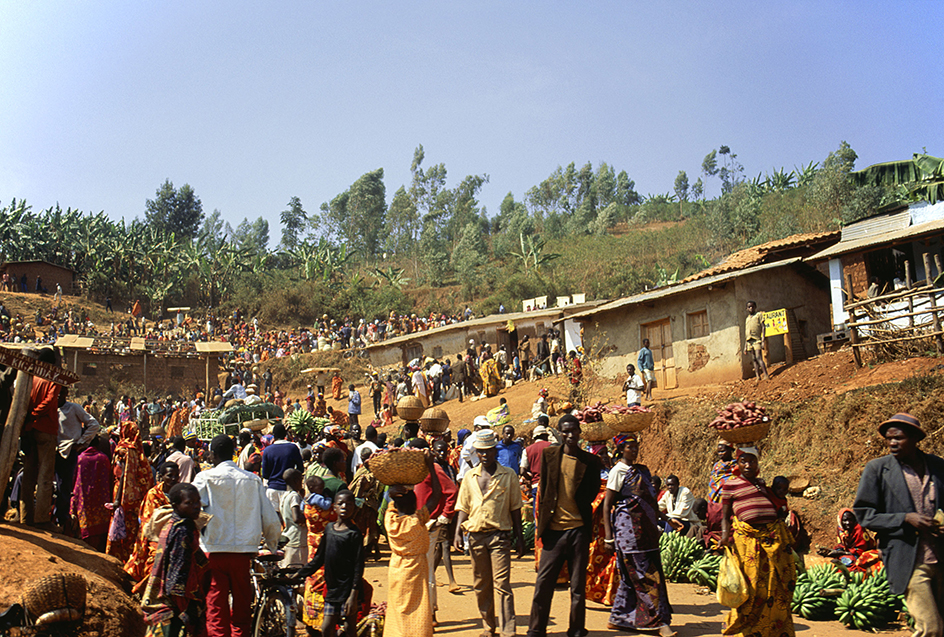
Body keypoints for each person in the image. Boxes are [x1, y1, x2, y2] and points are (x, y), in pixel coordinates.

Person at [854, 412, 944, 636]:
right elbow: (864, 515)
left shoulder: (937, 466)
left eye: (899, 437)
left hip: (940, 555)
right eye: (888, 438)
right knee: (931, 628)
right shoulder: (878, 469)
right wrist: (905, 518)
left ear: (915, 438)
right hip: (909, 559)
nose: (892, 443)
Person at [193, 434, 281, 637]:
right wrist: (272, 543)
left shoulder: (205, 478)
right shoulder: (252, 480)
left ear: (213, 455)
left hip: (214, 551)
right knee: (242, 603)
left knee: (216, 604)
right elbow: (269, 518)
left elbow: (194, 511)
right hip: (243, 552)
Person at [526, 415, 603, 637]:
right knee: (543, 584)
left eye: (574, 430)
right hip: (553, 532)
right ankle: (536, 629)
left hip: (578, 530)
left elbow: (591, 492)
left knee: (577, 586)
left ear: (580, 432)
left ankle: (577, 629)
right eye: (566, 431)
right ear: (559, 433)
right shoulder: (549, 456)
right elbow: (546, 490)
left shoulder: (590, 462)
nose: (570, 435)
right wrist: (542, 526)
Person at [454, 429, 526, 637]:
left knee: (502, 584)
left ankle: (508, 630)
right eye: (480, 452)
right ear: (476, 453)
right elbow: (463, 506)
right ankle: (488, 626)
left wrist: (519, 538)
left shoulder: (508, 475)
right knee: (481, 584)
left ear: (495, 451)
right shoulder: (469, 477)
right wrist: (458, 532)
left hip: (499, 536)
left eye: (488, 451)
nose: (484, 455)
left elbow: (515, 508)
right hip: (475, 536)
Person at [603, 433, 673, 635]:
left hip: (648, 531)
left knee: (629, 577)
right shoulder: (618, 471)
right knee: (646, 576)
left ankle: (619, 618)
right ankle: (658, 622)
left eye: (635, 447)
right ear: (620, 450)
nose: (633, 450)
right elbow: (608, 505)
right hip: (630, 533)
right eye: (629, 447)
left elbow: (647, 501)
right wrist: (609, 537)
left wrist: (666, 519)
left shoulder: (642, 470)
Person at [720, 446, 795, 637]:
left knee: (774, 586)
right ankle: (746, 629)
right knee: (750, 588)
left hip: (771, 541)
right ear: (737, 464)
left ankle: (772, 629)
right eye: (743, 461)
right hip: (747, 542)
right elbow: (725, 515)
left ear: (757, 463)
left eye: (752, 461)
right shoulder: (730, 485)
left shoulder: (761, 484)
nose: (748, 465)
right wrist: (724, 536)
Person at [141, 482, 209, 637]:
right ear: (175, 505)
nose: (196, 506)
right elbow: (178, 573)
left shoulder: (172, 525)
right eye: (189, 503)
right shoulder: (182, 531)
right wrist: (187, 610)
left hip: (164, 600)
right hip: (174, 606)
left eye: (197, 501)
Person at [385, 451, 441, 637]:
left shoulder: (390, 521)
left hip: (397, 568)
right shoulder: (418, 521)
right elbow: (437, 496)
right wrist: (431, 467)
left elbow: (389, 504)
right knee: (418, 608)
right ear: (415, 504)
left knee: (397, 609)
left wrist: (391, 493)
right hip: (416, 569)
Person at [295, 490, 364, 637]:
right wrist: (301, 573)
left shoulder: (354, 533)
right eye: (341, 503)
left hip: (349, 589)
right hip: (332, 589)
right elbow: (319, 558)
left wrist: (353, 594)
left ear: (354, 507)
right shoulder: (329, 529)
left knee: (350, 627)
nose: (345, 506)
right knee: (327, 628)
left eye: (349, 504)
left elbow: (358, 566)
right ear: (334, 507)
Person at [20, 347, 62, 529]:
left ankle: (25, 516)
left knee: (28, 474)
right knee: (45, 474)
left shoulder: (32, 378)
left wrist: (29, 418)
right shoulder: (53, 379)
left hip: (29, 429)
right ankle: (41, 519)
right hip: (46, 429)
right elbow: (51, 400)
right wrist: (36, 414)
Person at [125, 462, 181, 593]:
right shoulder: (154, 495)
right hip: (156, 536)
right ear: (161, 477)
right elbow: (149, 522)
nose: (173, 479)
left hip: (176, 535)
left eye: (176, 476)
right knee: (155, 559)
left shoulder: (180, 493)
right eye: (170, 476)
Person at [56, 387, 101, 530]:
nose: (57, 396)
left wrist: (81, 442)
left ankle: (62, 519)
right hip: (51, 450)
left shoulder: (73, 408)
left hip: (68, 451)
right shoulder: (49, 408)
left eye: (61, 393)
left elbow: (94, 424)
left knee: (64, 485)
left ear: (65, 394)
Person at [70, 436, 112, 551]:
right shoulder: (104, 459)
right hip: (101, 501)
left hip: (83, 500)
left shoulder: (80, 459)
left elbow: (74, 479)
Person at [261, 423, 304, 513]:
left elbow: (265, 475)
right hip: (289, 490)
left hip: (273, 490)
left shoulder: (267, 451)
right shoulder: (293, 448)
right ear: (285, 434)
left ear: (273, 435)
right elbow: (301, 469)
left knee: (276, 521)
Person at [280, 468, 309, 568]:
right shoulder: (294, 496)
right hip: (297, 539)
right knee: (296, 569)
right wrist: (309, 518)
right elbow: (296, 517)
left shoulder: (284, 495)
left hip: (288, 536)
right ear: (296, 481)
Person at [522, 421, 552, 505]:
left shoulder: (527, 450)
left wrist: (530, 479)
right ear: (545, 436)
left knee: (537, 511)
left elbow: (522, 471)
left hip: (536, 485)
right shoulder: (552, 446)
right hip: (550, 484)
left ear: (534, 437)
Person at [743, 301, 770, 380]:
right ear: (747, 308)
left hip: (757, 340)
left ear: (755, 307)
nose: (751, 308)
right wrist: (745, 346)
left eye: (752, 306)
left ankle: (766, 375)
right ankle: (758, 376)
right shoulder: (747, 319)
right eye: (749, 307)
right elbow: (746, 333)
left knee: (758, 357)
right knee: (754, 359)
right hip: (749, 341)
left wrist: (763, 340)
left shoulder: (758, 315)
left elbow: (763, 327)